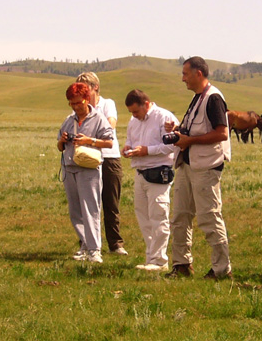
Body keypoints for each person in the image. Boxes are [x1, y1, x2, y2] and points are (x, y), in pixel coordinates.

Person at [164, 56, 233, 280]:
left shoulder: (213, 98)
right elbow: (197, 127)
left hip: (205, 166)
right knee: (180, 216)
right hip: (187, 164)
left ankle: (222, 269)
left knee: (209, 216)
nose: (183, 78)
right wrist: (178, 129)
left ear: (198, 73)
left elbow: (222, 133)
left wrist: (189, 141)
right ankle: (181, 264)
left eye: (185, 73)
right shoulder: (198, 98)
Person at [58, 82, 115, 263]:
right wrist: (63, 140)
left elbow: (109, 142)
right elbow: (59, 145)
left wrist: (89, 140)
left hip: (89, 169)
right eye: (71, 104)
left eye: (78, 103)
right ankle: (84, 244)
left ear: (87, 99)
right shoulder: (69, 120)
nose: (75, 107)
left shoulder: (98, 118)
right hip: (70, 167)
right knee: (76, 211)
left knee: (91, 209)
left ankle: (94, 250)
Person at [122, 89, 179, 271]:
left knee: (158, 215)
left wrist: (147, 150)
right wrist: (128, 149)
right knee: (143, 217)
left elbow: (171, 145)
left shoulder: (164, 117)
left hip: (158, 172)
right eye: (131, 112)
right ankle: (151, 257)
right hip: (139, 172)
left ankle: (160, 261)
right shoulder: (133, 121)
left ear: (146, 104)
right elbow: (130, 140)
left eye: (136, 111)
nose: (134, 115)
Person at [76, 72, 126, 256]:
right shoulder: (78, 106)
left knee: (111, 202)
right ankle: (87, 243)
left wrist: (91, 136)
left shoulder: (107, 104)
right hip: (87, 158)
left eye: (84, 88)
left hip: (109, 156)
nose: (81, 92)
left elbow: (111, 125)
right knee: (88, 203)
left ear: (95, 87)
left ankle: (115, 244)